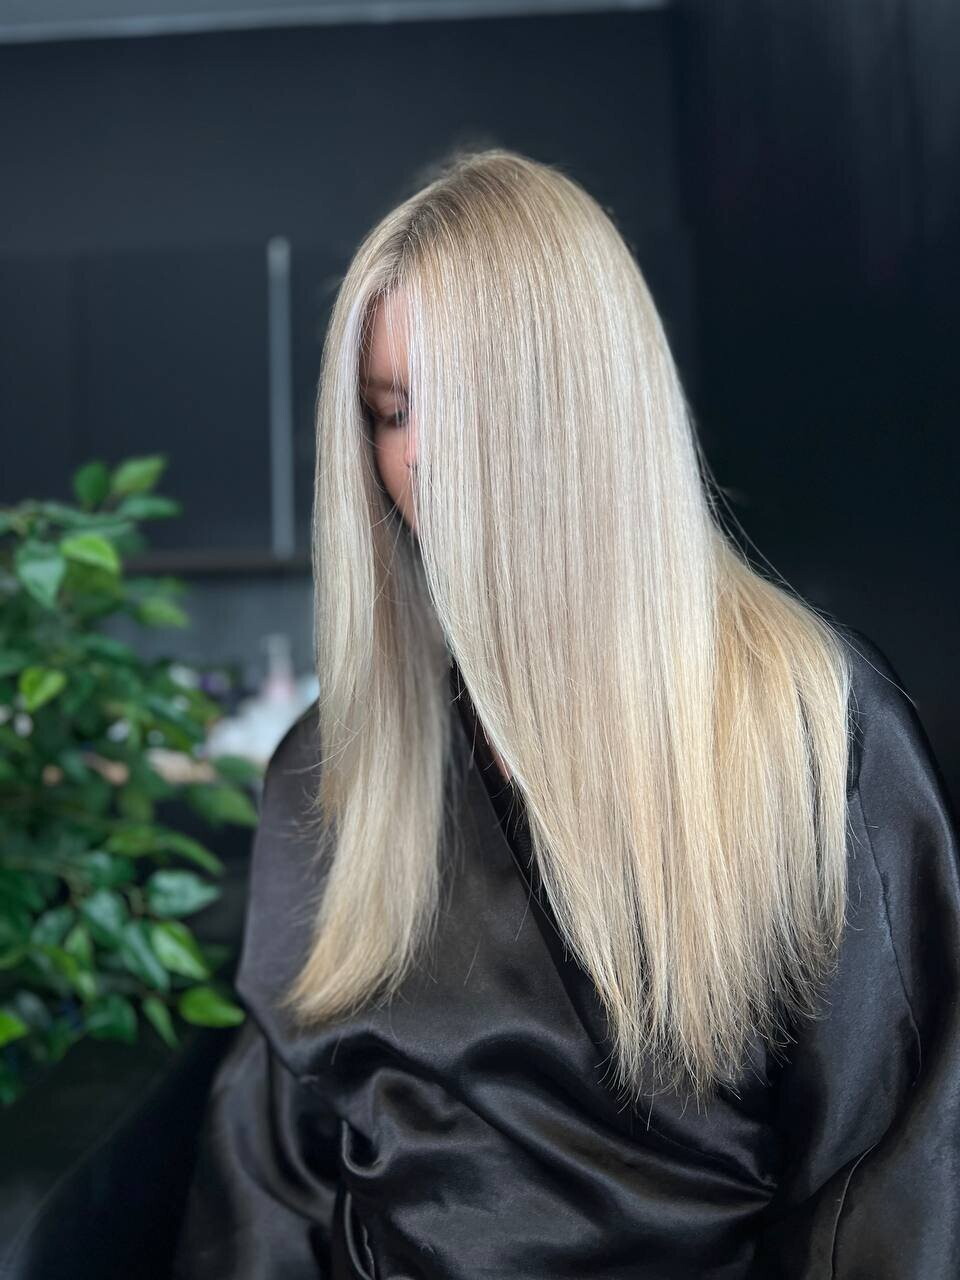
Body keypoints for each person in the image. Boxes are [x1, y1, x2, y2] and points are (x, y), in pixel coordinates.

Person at [172, 148, 960, 1278]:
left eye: (464, 404)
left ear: (585, 408)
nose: (419, 457)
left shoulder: (811, 742)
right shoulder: (334, 768)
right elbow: (268, 1183)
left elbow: (889, 1187)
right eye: (390, 413)